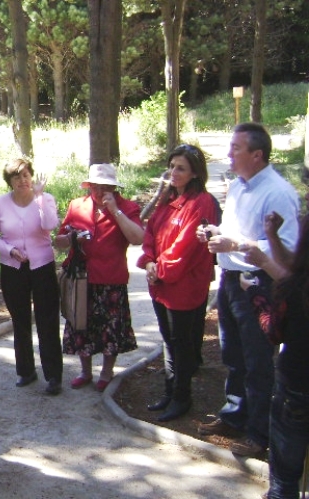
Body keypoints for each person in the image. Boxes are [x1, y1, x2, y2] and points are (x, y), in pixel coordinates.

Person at [196, 122, 299, 457]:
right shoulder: (239, 186)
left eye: (236, 148)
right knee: (233, 356)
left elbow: (287, 250)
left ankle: (259, 434)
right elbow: (232, 229)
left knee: (257, 361)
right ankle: (234, 415)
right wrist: (214, 232)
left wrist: (235, 244)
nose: (229, 153)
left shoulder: (278, 193)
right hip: (230, 280)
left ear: (257, 155)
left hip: (258, 283)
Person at [136, 145, 217, 422]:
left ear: (195, 172)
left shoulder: (201, 202)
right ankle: (170, 392)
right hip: (160, 284)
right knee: (169, 342)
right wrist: (148, 261)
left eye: (180, 167)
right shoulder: (167, 201)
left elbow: (186, 246)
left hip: (183, 287)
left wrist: (161, 269)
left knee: (181, 344)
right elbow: (151, 235)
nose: (173, 172)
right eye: (171, 166)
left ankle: (183, 397)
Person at [55, 163, 143, 393]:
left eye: (105, 186)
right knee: (81, 326)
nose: (99, 190)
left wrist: (115, 211)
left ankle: (106, 372)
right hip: (82, 277)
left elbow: (137, 238)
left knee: (110, 328)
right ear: (89, 185)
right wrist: (73, 238)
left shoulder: (127, 207)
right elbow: (59, 241)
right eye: (95, 185)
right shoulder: (77, 206)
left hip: (111, 277)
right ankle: (85, 372)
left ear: (114, 188)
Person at [241, 213, 309, 499]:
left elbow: (273, 331)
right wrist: (272, 236)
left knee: (284, 478)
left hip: (297, 391)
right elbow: (294, 267)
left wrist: (256, 294)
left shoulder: (296, 290)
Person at [0, 158, 63, 395]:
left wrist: (40, 198)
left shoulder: (45, 198)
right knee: (19, 320)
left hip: (42, 265)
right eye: (17, 177)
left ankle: (53, 375)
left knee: (47, 320)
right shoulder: (0, 203)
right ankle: (26, 371)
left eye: (26, 175)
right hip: (13, 268)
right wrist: (9, 250)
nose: (23, 180)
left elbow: (50, 225)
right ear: (9, 181)